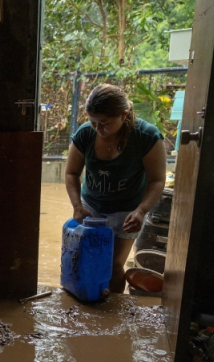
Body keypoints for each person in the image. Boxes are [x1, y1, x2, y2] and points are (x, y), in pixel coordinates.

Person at [64, 83, 167, 293]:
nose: (97, 128)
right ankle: (89, 299)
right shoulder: (85, 134)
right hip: (91, 207)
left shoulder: (146, 137)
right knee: (87, 258)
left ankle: (113, 307)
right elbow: (71, 173)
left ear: (124, 115)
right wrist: (77, 206)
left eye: (104, 123)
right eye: (93, 122)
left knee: (114, 266)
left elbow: (157, 180)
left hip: (128, 211)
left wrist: (141, 211)